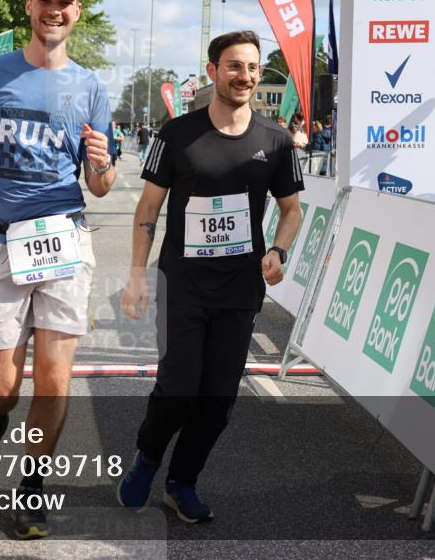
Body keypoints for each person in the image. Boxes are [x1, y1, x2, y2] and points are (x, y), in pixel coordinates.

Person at [0, 0, 113, 539]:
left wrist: (101, 164)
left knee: (54, 379)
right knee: (1, 388)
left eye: (66, 3)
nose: (56, 10)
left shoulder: (91, 86)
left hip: (65, 239)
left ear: (76, 14)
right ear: (29, 6)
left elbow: (101, 185)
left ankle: (32, 487)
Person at [118, 30, 304, 523]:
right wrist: (137, 276)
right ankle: (148, 458)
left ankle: (182, 483)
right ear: (213, 72)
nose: (244, 76)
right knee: (179, 388)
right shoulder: (176, 134)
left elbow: (291, 210)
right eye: (233, 66)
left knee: (218, 400)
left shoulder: (276, 141)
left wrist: (280, 250)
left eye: (251, 67)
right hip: (183, 285)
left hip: (240, 290)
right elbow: (147, 210)